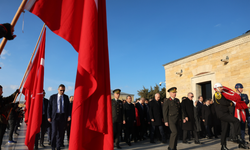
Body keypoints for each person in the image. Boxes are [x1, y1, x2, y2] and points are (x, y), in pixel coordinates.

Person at [213, 83, 246, 150]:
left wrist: (233, 101)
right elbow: (223, 102)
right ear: (216, 88)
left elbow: (226, 100)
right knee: (236, 120)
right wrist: (231, 103)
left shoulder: (221, 94)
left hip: (225, 113)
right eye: (220, 87)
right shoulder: (217, 94)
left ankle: (223, 146)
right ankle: (238, 136)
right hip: (222, 114)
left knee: (224, 130)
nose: (222, 88)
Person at [47, 84, 71, 150]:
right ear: (58, 89)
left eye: (63, 90)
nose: (62, 92)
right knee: (54, 132)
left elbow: (68, 108)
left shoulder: (66, 97)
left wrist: (69, 116)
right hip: (55, 117)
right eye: (61, 90)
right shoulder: (52, 97)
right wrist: (49, 116)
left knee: (61, 133)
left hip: (63, 117)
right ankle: (53, 146)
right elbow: (49, 107)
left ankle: (58, 147)